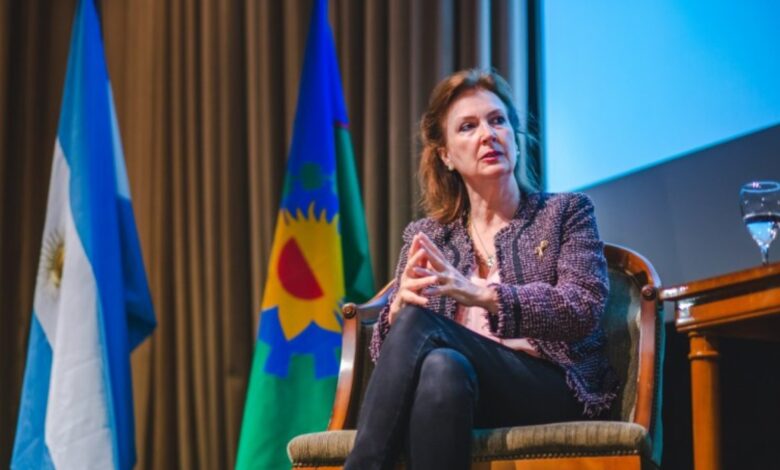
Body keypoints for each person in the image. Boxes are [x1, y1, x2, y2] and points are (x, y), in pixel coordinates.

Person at [344, 69, 618, 470]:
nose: (488, 135)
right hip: (462, 393)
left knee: (422, 328)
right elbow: (392, 360)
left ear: (515, 139)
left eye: (497, 120)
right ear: (446, 155)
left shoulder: (565, 213)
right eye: (468, 127)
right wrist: (397, 313)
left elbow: (582, 307)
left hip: (551, 387)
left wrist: (481, 294)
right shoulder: (428, 236)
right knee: (441, 368)